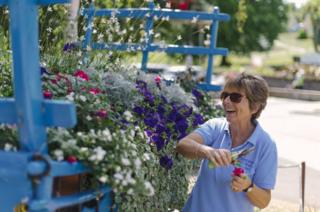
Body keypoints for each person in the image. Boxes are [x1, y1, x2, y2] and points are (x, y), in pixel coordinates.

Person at [176, 72, 277, 212]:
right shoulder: (215, 127)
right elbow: (183, 145)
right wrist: (207, 151)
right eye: (224, 95)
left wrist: (248, 186)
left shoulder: (266, 145)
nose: (226, 101)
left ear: (254, 107)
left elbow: (264, 201)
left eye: (235, 97)